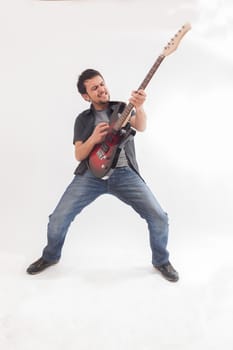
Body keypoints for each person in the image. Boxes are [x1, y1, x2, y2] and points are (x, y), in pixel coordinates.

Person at [26, 69, 179, 282]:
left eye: (102, 84)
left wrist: (140, 106)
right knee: (58, 218)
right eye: (94, 88)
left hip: (125, 175)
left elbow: (141, 126)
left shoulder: (122, 108)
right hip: (90, 176)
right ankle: (50, 256)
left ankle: (161, 260)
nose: (101, 89)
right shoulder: (83, 119)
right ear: (85, 96)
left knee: (159, 217)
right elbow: (79, 154)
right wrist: (93, 139)